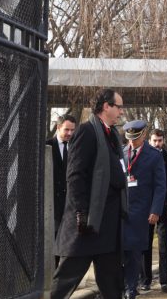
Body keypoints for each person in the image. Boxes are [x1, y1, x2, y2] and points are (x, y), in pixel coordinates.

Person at [51, 89, 127, 299]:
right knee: (65, 282)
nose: (121, 111)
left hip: (108, 226)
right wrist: (81, 213)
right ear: (106, 107)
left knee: (112, 284)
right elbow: (75, 175)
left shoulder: (111, 134)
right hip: (86, 225)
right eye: (118, 106)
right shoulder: (87, 131)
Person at [120, 120, 166, 299]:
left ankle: (131, 287)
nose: (132, 142)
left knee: (134, 251)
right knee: (121, 251)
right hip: (121, 211)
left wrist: (155, 210)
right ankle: (123, 284)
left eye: (136, 138)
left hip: (141, 211)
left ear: (144, 135)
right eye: (130, 138)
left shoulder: (154, 155)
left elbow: (160, 186)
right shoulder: (122, 153)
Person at [140, 129, 167, 293]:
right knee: (145, 245)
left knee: (164, 245)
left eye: (160, 140)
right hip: (146, 208)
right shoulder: (143, 158)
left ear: (163, 141)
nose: (157, 144)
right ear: (149, 141)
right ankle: (146, 280)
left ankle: (165, 280)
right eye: (154, 140)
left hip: (166, 209)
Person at [47, 114, 77, 266]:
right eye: (66, 130)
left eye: (72, 130)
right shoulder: (47, 146)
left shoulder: (76, 147)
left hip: (70, 203)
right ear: (58, 128)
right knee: (54, 239)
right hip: (53, 203)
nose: (70, 133)